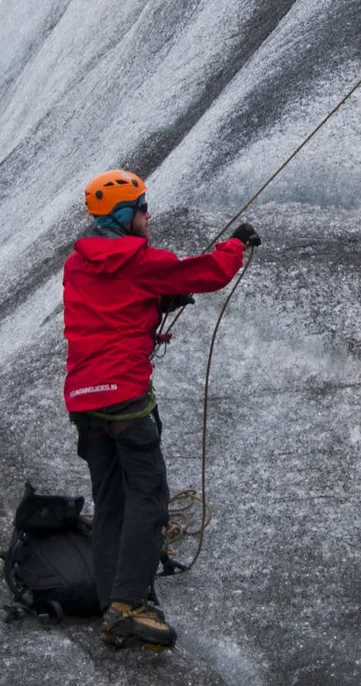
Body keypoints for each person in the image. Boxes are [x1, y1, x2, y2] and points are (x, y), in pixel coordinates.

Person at [63, 169, 258, 649]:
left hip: (84, 401)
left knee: (111, 504)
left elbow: (112, 305)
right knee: (149, 499)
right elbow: (206, 273)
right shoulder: (139, 259)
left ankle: (114, 604)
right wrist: (236, 246)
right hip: (126, 398)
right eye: (143, 208)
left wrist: (155, 302)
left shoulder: (77, 264)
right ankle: (130, 607)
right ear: (125, 215)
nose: (149, 216)